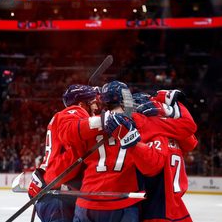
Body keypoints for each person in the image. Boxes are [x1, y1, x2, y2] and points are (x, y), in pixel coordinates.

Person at [72, 81, 197, 222]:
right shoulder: (144, 121)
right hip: (127, 202)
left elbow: (67, 136)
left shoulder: (89, 124)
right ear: (127, 100)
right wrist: (161, 102)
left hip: (87, 199)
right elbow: (189, 135)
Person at [28, 84, 105, 222]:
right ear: (82, 104)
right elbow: (73, 133)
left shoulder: (65, 116)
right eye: (93, 103)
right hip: (57, 196)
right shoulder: (74, 111)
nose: (96, 108)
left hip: (52, 191)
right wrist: (104, 120)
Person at [132, 90, 198, 222]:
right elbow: (191, 141)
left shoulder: (148, 125)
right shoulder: (175, 132)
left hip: (156, 206)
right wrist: (170, 104)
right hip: (177, 207)